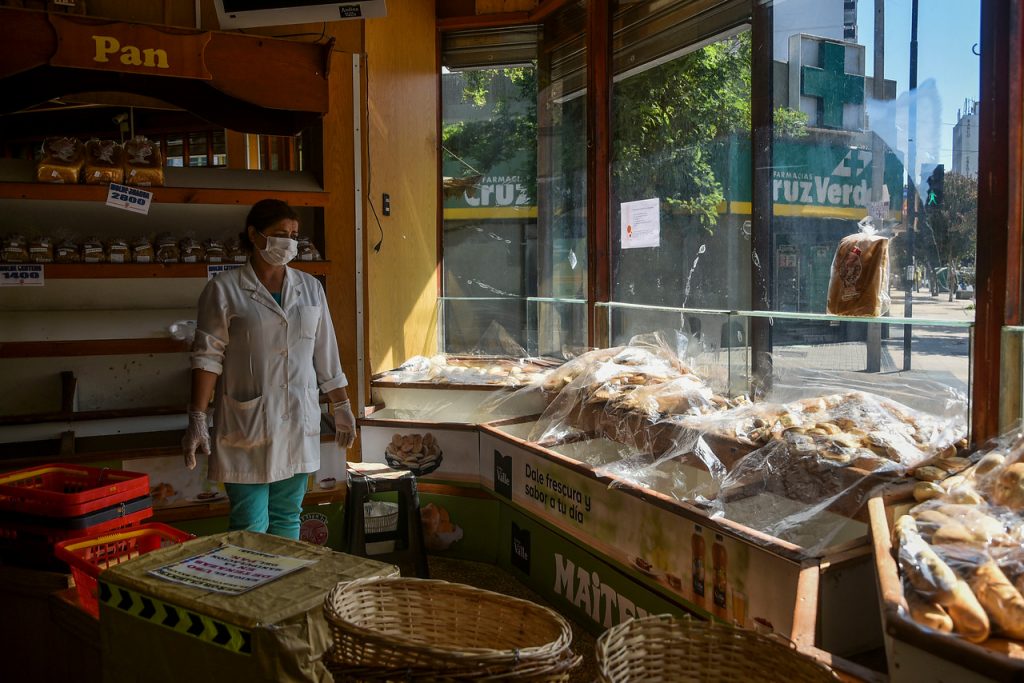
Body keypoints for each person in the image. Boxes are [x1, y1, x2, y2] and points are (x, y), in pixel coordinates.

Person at [181, 199, 356, 539]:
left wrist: (342, 404)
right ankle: (250, 591)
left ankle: (283, 589)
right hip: (248, 421)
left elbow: (325, 352)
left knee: (288, 518)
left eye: (293, 235)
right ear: (254, 235)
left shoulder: (310, 287)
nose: (289, 243)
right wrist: (197, 418)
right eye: (280, 234)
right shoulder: (224, 289)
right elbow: (206, 358)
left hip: (297, 420)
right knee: (250, 526)